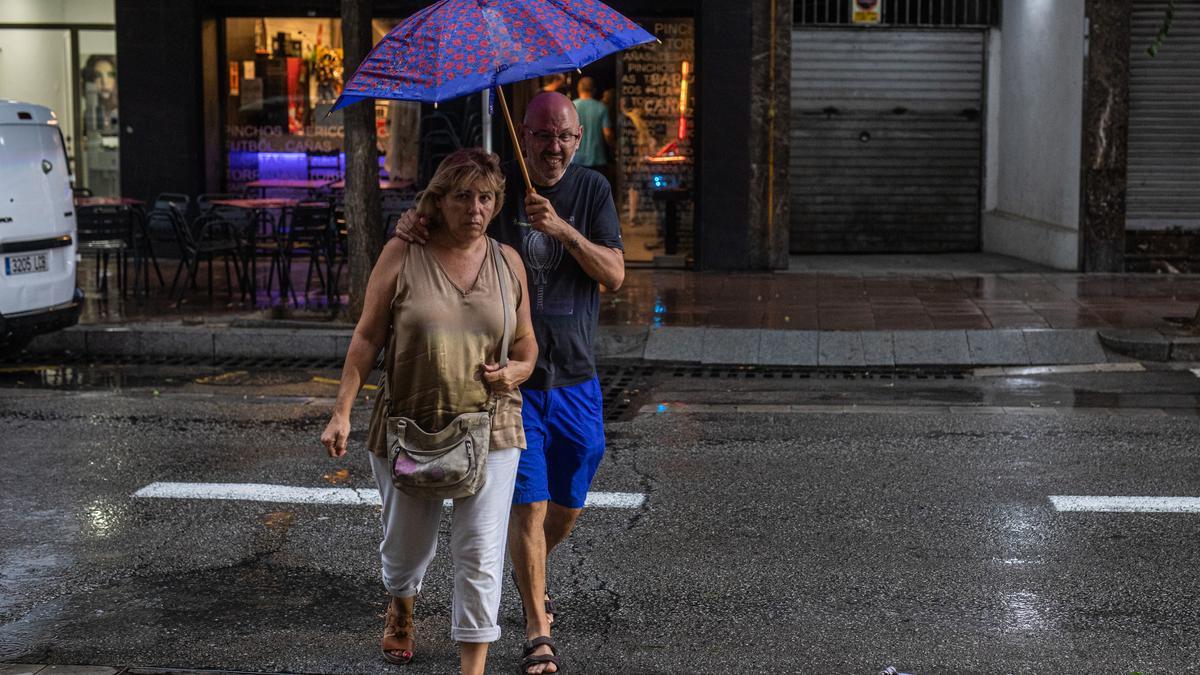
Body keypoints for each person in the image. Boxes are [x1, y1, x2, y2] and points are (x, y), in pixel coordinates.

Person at [394, 91, 625, 674]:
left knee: (567, 502)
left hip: (574, 378)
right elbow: (446, 218)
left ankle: (520, 571)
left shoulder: (591, 191)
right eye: (543, 136)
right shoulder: (496, 194)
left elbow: (615, 275)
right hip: (509, 384)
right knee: (528, 505)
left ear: (579, 140)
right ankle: (537, 627)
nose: (554, 147)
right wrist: (411, 224)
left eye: (566, 137)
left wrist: (563, 229)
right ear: (524, 135)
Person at [320, 148, 536, 675]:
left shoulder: (509, 262)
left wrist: (514, 373)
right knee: (406, 548)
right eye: (462, 196)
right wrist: (342, 410)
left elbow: (528, 347)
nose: (475, 208)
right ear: (437, 200)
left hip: (493, 426)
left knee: (480, 553)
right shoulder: (403, 253)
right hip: (409, 425)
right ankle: (401, 600)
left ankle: (473, 667)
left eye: (486, 197)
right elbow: (368, 337)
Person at [571, 77, 614, 181]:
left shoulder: (571, 106)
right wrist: (614, 147)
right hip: (597, 160)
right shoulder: (601, 107)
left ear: (578, 89)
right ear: (594, 90)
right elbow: (607, 134)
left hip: (575, 161)